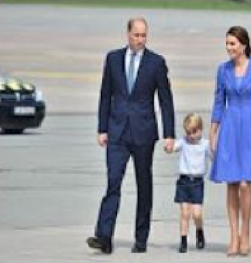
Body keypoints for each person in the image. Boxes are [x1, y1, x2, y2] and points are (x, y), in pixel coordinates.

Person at [87, 17, 175, 254]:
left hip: (144, 133)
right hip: (117, 132)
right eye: (136, 35)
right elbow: (106, 95)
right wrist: (102, 128)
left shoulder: (156, 62)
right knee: (113, 182)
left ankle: (141, 238)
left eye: (144, 35)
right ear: (128, 34)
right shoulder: (113, 59)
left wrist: (169, 134)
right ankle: (104, 237)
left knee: (143, 184)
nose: (140, 39)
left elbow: (165, 100)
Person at [210, 26, 251, 256]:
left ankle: (246, 232)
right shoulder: (223, 70)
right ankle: (233, 236)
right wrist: (213, 132)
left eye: (233, 44)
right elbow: (219, 101)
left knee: (245, 183)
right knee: (231, 182)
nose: (229, 48)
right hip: (229, 126)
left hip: (250, 126)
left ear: (244, 45)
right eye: (227, 43)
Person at [167, 113, 209, 253]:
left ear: (200, 129)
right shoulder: (183, 142)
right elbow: (173, 147)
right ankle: (183, 240)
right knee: (185, 212)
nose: (191, 136)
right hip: (184, 181)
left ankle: (199, 230)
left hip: (197, 182)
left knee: (196, 213)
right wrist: (168, 147)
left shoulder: (205, 144)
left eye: (194, 132)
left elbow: (215, 156)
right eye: (189, 132)